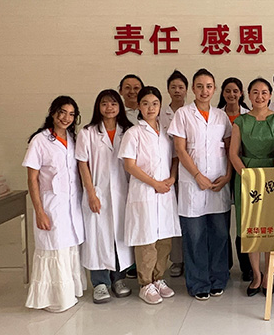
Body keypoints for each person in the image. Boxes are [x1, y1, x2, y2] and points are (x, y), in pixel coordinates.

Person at [169, 69, 233, 301]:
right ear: (193, 89)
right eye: (199, 86)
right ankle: (198, 283)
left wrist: (227, 176)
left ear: (214, 89)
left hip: (218, 183)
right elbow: (180, 149)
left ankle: (218, 279)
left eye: (208, 86)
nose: (204, 91)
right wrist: (196, 175)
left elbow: (230, 148)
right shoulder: (183, 114)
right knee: (194, 237)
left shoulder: (221, 116)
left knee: (219, 235)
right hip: (192, 183)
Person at [118, 86, 181, 305]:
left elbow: (174, 158)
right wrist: (154, 183)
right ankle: (145, 283)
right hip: (145, 191)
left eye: (155, 103)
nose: (151, 108)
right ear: (139, 106)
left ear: (160, 106)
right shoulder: (133, 133)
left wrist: (172, 177)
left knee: (164, 238)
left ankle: (158, 278)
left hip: (165, 192)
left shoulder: (166, 132)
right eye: (145, 103)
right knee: (146, 238)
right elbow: (129, 165)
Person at [23, 96, 85, 312]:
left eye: (71, 114)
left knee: (68, 247)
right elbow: (32, 179)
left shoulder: (73, 139)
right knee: (54, 249)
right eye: (62, 112)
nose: (66, 118)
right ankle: (53, 299)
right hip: (51, 204)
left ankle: (69, 294)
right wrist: (39, 211)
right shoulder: (39, 140)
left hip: (71, 204)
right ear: (52, 113)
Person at [229, 78, 274, 296]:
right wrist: (246, 176)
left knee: (270, 228)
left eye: (264, 92)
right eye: (255, 92)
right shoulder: (240, 121)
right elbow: (233, 153)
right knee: (251, 228)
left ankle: (268, 274)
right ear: (248, 95)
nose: (260, 96)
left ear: (270, 95)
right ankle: (255, 274)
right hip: (246, 177)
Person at [75, 89, 134, 304]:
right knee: (98, 237)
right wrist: (90, 193)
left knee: (120, 237)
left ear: (120, 107)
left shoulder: (128, 131)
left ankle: (118, 279)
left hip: (122, 193)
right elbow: (82, 164)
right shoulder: (88, 132)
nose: (109, 108)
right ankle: (100, 283)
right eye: (104, 104)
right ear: (98, 107)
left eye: (113, 104)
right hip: (97, 191)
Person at [217, 77, 253, 281]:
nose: (232, 94)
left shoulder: (249, 115)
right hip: (220, 171)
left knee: (244, 220)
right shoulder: (216, 115)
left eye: (235, 91)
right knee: (222, 221)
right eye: (228, 91)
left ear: (241, 93)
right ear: (222, 93)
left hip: (243, 170)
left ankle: (247, 266)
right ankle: (225, 263)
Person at [160, 70, 189, 278]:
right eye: (173, 87)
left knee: (189, 217)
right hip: (166, 170)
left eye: (181, 87)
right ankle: (177, 260)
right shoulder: (160, 113)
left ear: (186, 90)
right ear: (168, 90)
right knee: (173, 216)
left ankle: (191, 258)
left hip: (188, 169)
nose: (177, 90)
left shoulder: (191, 112)